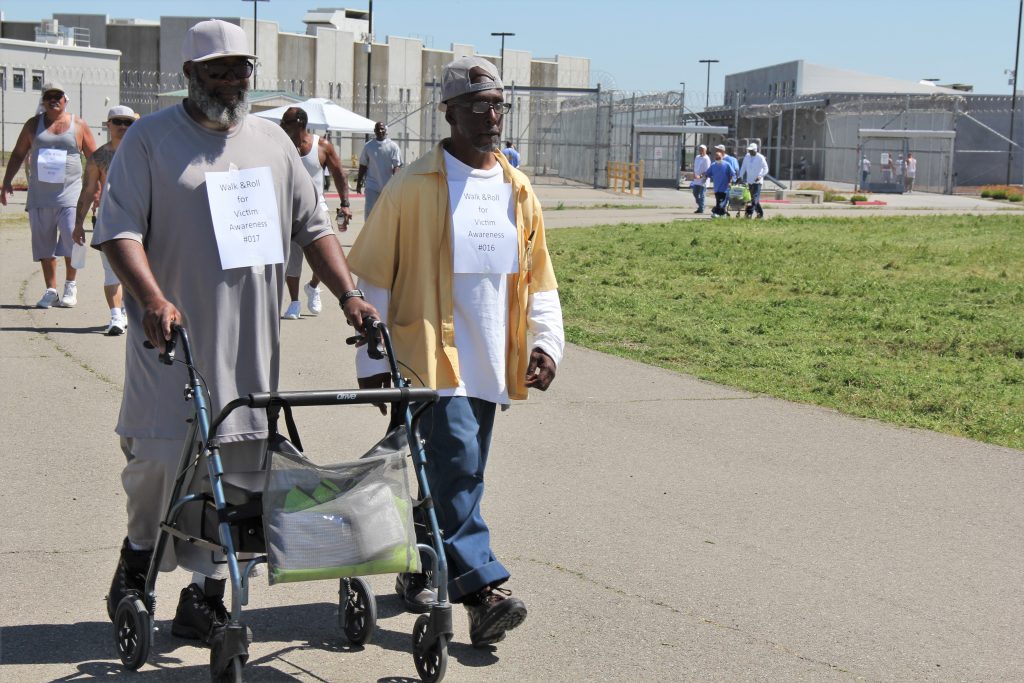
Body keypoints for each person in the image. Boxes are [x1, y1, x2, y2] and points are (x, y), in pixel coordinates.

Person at [93, 19, 376, 645]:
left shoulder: (274, 142)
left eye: (240, 70)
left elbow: (314, 228)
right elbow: (118, 231)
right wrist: (151, 297)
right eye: (217, 71)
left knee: (241, 467)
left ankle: (205, 597)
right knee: (160, 458)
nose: (231, 82)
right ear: (190, 75)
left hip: (251, 344)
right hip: (174, 338)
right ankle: (135, 567)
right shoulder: (149, 140)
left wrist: (350, 295)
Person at [348, 55, 564, 649]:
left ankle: (421, 561)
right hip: (427, 358)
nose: (491, 116)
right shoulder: (412, 186)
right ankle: (482, 591)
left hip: (493, 360)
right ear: (448, 114)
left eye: (497, 105)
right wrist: (372, 362)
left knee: (456, 473)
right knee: (460, 467)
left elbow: (539, 279)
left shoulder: (519, 191)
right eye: (476, 106)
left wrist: (545, 343)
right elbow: (375, 279)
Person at [2, 82, 97, 308]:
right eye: (49, 97)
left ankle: (70, 286)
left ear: (65, 100)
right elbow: (17, 154)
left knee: (72, 239)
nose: (54, 100)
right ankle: (51, 290)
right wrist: (6, 182)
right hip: (40, 196)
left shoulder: (78, 124)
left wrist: (97, 189)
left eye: (58, 96)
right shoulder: (33, 125)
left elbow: (94, 159)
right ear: (43, 101)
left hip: (70, 194)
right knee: (44, 246)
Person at [279, 106, 354, 319]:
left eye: (286, 122)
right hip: (289, 209)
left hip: (317, 207)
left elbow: (339, 174)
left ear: (300, 123)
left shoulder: (322, 146)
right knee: (292, 258)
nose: (282, 126)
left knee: (321, 255)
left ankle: (313, 286)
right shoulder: (281, 146)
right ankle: (294, 302)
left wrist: (345, 203)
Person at [72, 105, 137, 335]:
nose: (122, 126)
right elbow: (88, 191)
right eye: (117, 121)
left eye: (127, 122)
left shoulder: (143, 152)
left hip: (139, 221)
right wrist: (78, 223)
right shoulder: (98, 157)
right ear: (108, 125)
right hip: (108, 220)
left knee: (136, 271)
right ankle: (116, 316)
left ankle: (129, 311)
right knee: (111, 271)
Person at [355, 121, 402, 219]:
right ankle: (368, 233)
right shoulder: (368, 146)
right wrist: (359, 183)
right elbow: (363, 165)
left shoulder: (393, 146)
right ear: (374, 131)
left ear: (386, 131)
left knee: (388, 214)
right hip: (372, 186)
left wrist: (396, 183)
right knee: (370, 213)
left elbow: (397, 166)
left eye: (382, 129)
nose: (380, 131)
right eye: (378, 129)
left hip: (388, 186)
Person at [738, 142, 769, 219]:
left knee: (754, 199)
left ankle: (748, 213)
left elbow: (766, 169)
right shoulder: (747, 156)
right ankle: (760, 214)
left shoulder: (760, 157)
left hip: (757, 182)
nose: (749, 151)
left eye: (751, 150)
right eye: (749, 150)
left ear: (755, 150)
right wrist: (740, 176)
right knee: (752, 200)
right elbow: (743, 167)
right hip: (749, 181)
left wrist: (760, 176)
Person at [706, 149, 735, 217]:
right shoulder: (713, 165)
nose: (717, 158)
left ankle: (717, 213)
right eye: (716, 156)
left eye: (719, 156)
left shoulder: (727, 164)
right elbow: (708, 173)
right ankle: (723, 214)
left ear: (722, 157)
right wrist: (702, 176)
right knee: (718, 201)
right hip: (716, 187)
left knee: (721, 201)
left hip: (724, 187)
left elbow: (732, 174)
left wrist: (730, 182)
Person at [690, 144, 710, 214]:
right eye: (700, 149)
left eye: (702, 150)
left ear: (705, 151)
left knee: (701, 195)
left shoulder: (706, 159)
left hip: (703, 180)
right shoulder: (697, 157)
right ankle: (701, 206)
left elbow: (707, 171)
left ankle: (701, 209)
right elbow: (695, 167)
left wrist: (700, 176)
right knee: (695, 193)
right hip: (696, 180)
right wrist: (694, 174)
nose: (701, 151)